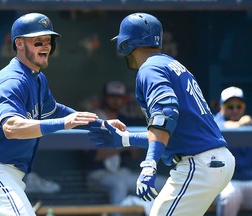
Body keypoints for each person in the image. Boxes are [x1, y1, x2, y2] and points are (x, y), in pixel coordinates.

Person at [0, 13, 124, 216]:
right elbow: (11, 128)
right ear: (19, 44)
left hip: (6, 174)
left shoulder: (36, 78)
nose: (45, 46)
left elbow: (54, 110)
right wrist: (62, 123)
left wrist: (99, 124)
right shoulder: (12, 80)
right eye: (38, 41)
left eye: (48, 41)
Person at [88, 13, 235, 215]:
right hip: (213, 160)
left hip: (198, 163)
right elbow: (170, 130)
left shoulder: (150, 68)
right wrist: (126, 139)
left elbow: (165, 115)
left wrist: (149, 165)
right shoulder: (171, 65)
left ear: (126, 43)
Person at [86, 81, 166, 216]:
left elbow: (134, 155)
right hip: (97, 175)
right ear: (105, 98)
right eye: (112, 97)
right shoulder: (94, 118)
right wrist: (124, 144)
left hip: (121, 173)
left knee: (164, 183)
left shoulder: (124, 120)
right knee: (119, 184)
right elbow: (95, 155)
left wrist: (131, 144)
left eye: (119, 97)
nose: (116, 101)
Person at [214, 86, 252, 216]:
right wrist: (241, 124)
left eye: (239, 106)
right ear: (221, 107)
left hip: (249, 180)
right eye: (230, 106)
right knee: (229, 195)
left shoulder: (249, 123)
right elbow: (221, 127)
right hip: (227, 183)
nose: (235, 110)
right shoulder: (214, 122)